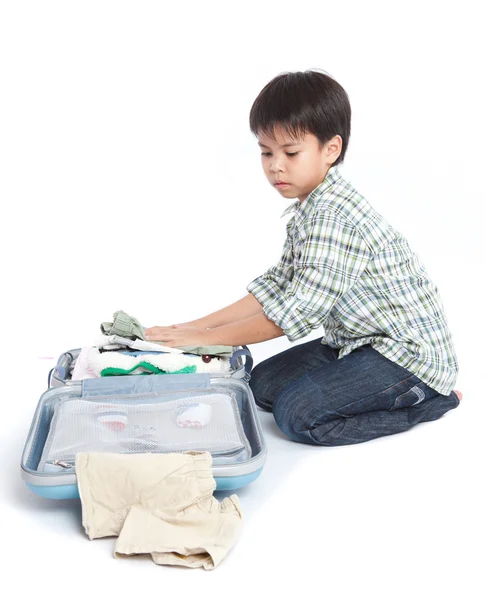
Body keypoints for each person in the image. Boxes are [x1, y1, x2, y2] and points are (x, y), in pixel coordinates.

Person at [145, 69, 461, 446]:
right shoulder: (311, 206)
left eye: (291, 153)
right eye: (266, 152)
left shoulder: (334, 216)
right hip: (357, 340)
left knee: (296, 416)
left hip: (407, 357)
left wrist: (205, 340)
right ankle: (363, 386)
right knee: (263, 386)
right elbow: (277, 286)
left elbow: (295, 313)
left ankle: (427, 403)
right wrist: (192, 328)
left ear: (331, 149)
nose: (275, 165)